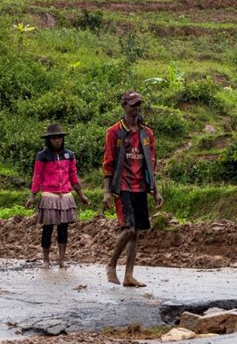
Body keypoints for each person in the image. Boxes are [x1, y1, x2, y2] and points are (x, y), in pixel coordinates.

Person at [103, 91, 163, 288]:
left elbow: (151, 164)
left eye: (138, 104)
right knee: (129, 228)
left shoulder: (147, 133)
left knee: (136, 232)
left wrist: (155, 190)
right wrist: (106, 191)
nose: (136, 108)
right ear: (124, 106)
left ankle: (129, 275)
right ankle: (111, 265)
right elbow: (109, 162)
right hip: (122, 186)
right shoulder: (115, 132)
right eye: (132, 105)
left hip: (140, 187)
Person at [26, 122, 90, 269]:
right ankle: (46, 260)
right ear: (48, 140)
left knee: (63, 229)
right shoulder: (42, 156)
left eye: (59, 137)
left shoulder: (69, 155)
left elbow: (74, 177)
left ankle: (61, 259)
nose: (56, 140)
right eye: (53, 138)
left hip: (66, 196)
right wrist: (32, 196)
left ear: (62, 138)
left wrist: (82, 195)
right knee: (47, 229)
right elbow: (37, 176)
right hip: (49, 196)